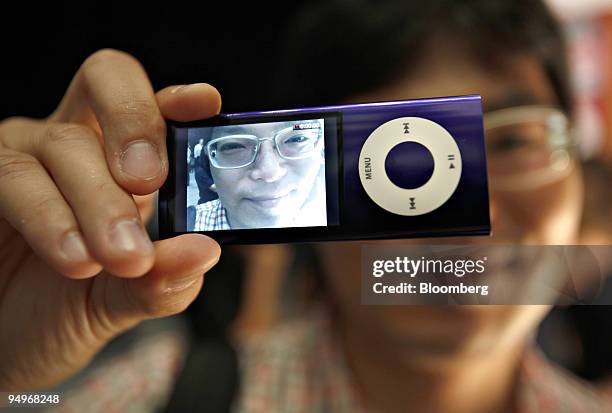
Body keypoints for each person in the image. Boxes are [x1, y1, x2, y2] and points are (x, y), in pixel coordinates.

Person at [0, 1, 610, 413]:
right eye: (392, 160)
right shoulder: (162, 393)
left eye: (511, 141)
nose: (468, 213)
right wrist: (8, 379)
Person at [192, 120, 327, 230]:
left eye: (297, 139)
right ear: (208, 161)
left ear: (321, 150)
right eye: (233, 146)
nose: (270, 173)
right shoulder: (189, 226)